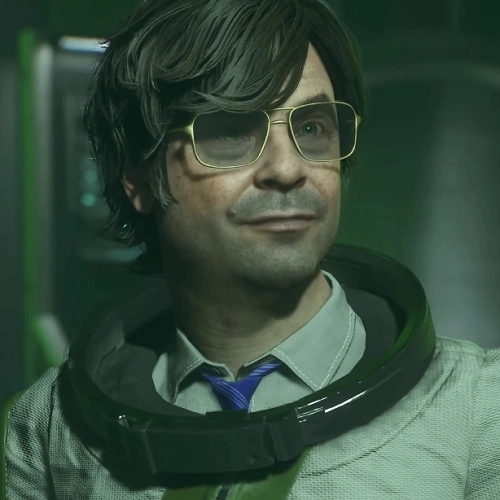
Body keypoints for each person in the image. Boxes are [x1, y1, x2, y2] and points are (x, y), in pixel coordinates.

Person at [4, 0, 500, 498]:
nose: (287, 169)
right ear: (139, 176)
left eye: (312, 128)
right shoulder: (50, 430)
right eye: (231, 130)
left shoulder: (479, 412)